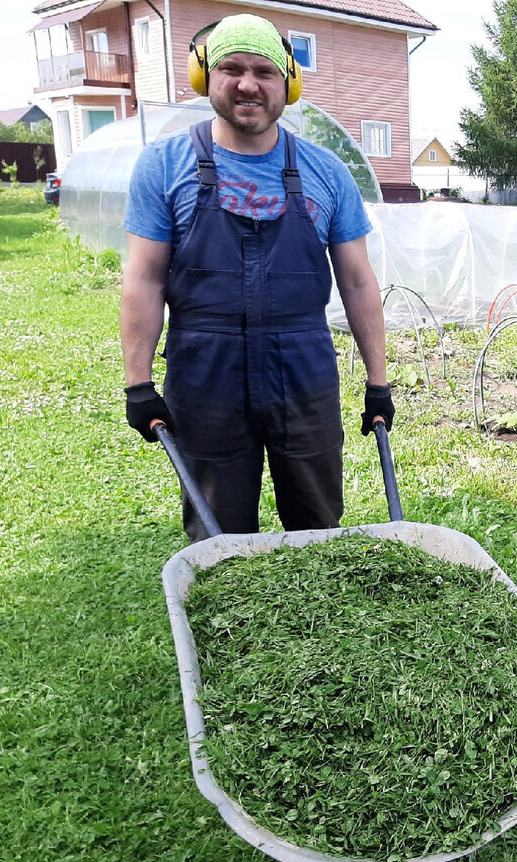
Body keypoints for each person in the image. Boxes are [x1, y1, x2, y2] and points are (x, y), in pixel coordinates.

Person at [120, 13, 393, 542]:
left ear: (287, 83)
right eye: (232, 69)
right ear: (206, 78)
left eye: (264, 71)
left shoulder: (326, 171)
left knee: (317, 522)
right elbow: (144, 279)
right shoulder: (164, 164)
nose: (248, 84)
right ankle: (222, 622)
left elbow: (358, 281)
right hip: (205, 370)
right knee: (218, 531)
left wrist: (378, 383)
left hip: (303, 366)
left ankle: (317, 618)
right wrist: (138, 383)